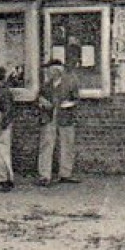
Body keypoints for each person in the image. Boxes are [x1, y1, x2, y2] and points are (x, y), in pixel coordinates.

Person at [37, 58, 81, 186]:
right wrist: (42, 102)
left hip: (65, 117)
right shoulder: (46, 85)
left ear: (57, 70)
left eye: (50, 70)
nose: (49, 73)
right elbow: (39, 98)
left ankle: (65, 174)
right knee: (46, 145)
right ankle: (44, 175)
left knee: (67, 145)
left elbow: (77, 99)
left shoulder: (70, 83)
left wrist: (69, 104)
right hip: (49, 117)